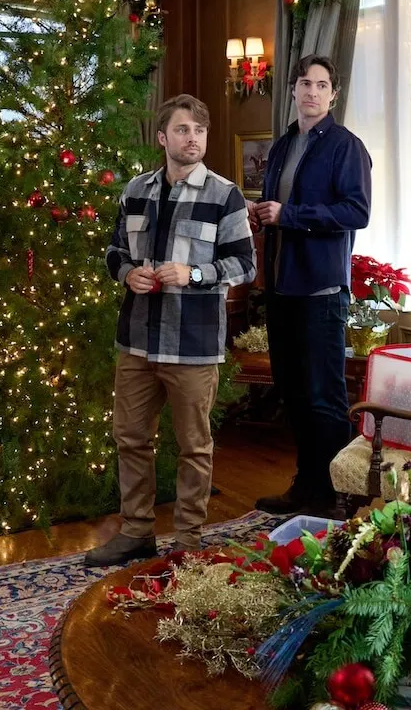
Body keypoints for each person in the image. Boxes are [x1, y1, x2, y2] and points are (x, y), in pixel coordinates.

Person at [84, 94, 256, 568]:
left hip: (193, 344)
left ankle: (189, 543)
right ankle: (136, 532)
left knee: (194, 446)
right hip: (137, 339)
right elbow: (114, 251)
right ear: (163, 138)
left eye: (200, 130)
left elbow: (245, 264)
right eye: (183, 130)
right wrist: (126, 274)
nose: (193, 138)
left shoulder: (226, 195)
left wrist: (194, 274)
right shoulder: (135, 190)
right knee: (131, 439)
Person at [250, 54, 372, 516]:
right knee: (292, 390)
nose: (312, 92)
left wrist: (291, 216)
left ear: (333, 94)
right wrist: (261, 213)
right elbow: (277, 205)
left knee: (324, 396)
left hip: (320, 291)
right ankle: (305, 486)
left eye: (322, 85)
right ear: (294, 89)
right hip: (281, 286)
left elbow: (356, 213)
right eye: (305, 83)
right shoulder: (282, 146)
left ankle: (333, 495)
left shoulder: (346, 146)